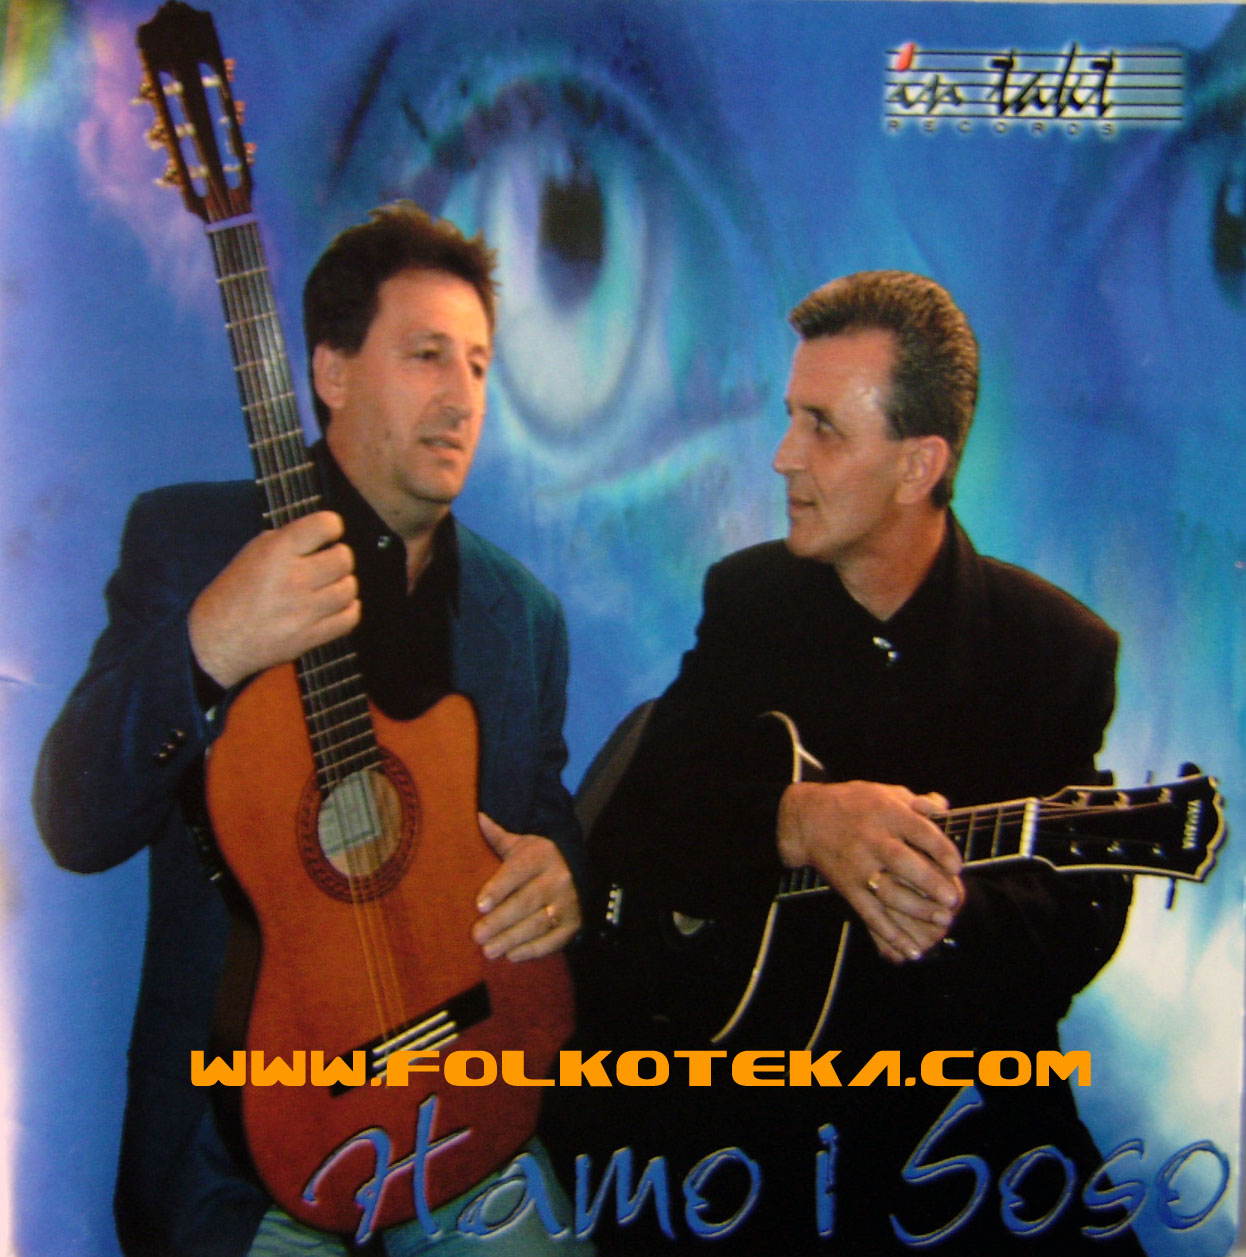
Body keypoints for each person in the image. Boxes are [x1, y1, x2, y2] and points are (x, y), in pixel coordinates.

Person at [34, 203, 588, 1257]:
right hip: (248, 1147)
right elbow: (74, 819)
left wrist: (558, 872)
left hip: (469, 1111)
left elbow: (543, 818)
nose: (462, 396)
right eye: (426, 355)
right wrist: (208, 640)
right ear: (331, 371)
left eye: (478, 364)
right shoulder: (192, 541)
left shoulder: (522, 619)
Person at [566, 271, 1139, 1255]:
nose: (783, 455)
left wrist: (937, 911)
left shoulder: (1055, 650)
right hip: (747, 1091)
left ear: (919, 465)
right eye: (791, 417)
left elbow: (1073, 924)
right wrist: (797, 821)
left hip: (950, 1099)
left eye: (822, 427)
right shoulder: (749, 599)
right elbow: (641, 818)